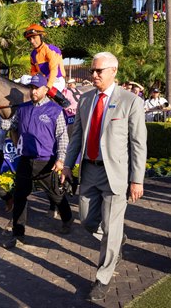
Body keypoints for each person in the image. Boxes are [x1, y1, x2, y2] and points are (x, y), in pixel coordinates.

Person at [61, 52, 147, 302]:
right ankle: (117, 239)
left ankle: (103, 278)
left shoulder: (130, 101)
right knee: (87, 220)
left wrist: (137, 179)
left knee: (111, 227)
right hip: (90, 170)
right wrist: (68, 164)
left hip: (116, 174)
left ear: (114, 71)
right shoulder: (86, 99)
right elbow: (77, 135)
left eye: (99, 71)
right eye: (92, 71)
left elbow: (138, 144)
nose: (94, 75)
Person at [0, 73, 74, 248]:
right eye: (31, 88)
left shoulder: (55, 110)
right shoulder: (23, 108)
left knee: (56, 195)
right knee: (20, 197)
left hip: (46, 162)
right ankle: (18, 234)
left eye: (36, 88)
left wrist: (61, 160)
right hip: (26, 160)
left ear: (45, 89)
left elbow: (63, 137)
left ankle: (68, 218)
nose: (33, 91)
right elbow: (11, 125)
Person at [24, 24, 70, 108]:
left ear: (41, 36)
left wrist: (47, 87)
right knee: (23, 79)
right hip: (42, 80)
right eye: (29, 39)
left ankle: (64, 102)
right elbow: (33, 72)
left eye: (34, 38)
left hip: (56, 80)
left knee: (46, 90)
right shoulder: (33, 54)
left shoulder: (51, 49)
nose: (31, 41)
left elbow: (53, 70)